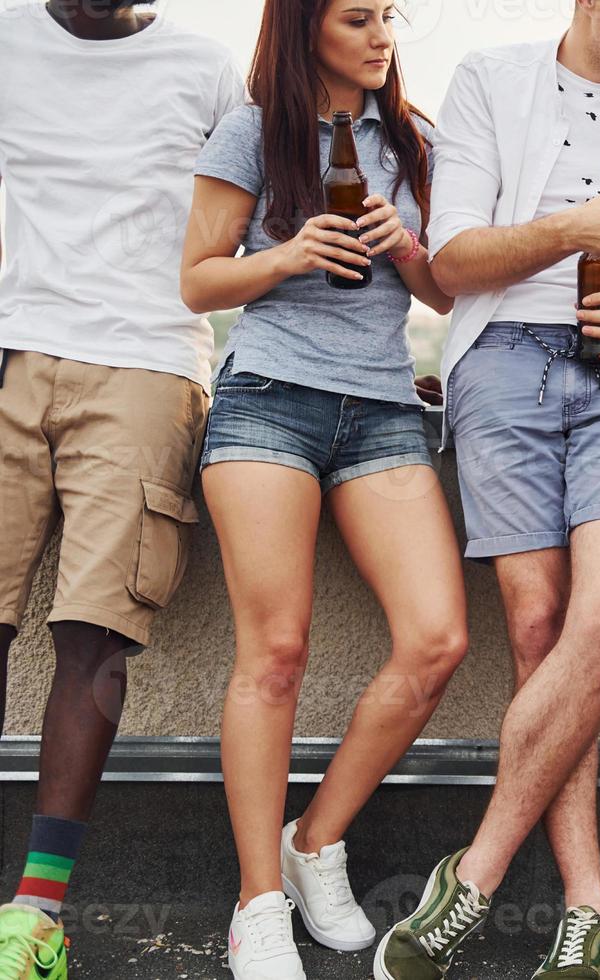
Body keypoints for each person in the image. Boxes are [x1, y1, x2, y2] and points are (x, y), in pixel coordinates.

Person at [374, 2, 600, 978]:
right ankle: (588, 900)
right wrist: (579, 225)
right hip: (504, 360)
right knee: (538, 629)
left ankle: (475, 872)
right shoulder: (494, 76)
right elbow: (450, 261)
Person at [178, 1, 460, 976]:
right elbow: (197, 280)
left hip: (380, 407)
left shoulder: (417, 141)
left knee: (436, 636)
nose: (382, 34)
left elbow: (447, 291)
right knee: (278, 649)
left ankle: (315, 838)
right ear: (307, 28)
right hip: (267, 400)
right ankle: (257, 901)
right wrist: (287, 253)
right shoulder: (257, 130)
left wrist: (406, 247)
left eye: (389, 15)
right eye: (357, 17)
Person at [0, 0, 241, 974]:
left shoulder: (208, 70)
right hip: (14, 346)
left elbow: (261, 216)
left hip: (147, 360)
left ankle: (37, 916)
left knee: (93, 630)